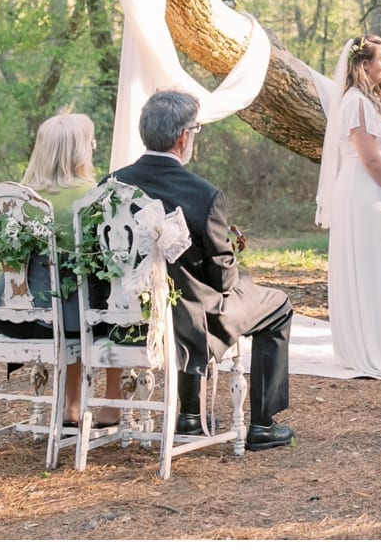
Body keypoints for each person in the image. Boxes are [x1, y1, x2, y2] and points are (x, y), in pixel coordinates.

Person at [110, 90, 294, 451]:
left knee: (197, 291)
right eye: (195, 130)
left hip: (125, 316)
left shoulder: (112, 187)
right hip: (189, 322)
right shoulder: (203, 194)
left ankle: (191, 416)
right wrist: (228, 257)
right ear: (183, 137)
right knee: (277, 305)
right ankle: (261, 423)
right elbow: (222, 281)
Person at [0, 112, 121, 426]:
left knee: (70, 297)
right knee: (117, 300)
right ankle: (112, 403)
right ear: (78, 151)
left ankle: (71, 406)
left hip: (15, 317)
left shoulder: (17, 197)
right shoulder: (94, 198)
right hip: (67, 320)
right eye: (90, 141)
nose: (94, 145)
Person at [315, 35, 381, 377]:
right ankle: (362, 345)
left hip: (375, 191)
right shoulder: (355, 103)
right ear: (363, 64)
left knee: (377, 264)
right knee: (362, 263)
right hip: (359, 191)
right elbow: (370, 159)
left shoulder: (372, 101)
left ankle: (379, 337)